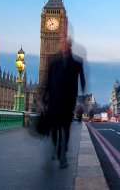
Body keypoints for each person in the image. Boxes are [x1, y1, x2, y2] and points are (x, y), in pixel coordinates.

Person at [42, 35, 85, 168]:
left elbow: (82, 79)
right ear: (60, 45)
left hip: (68, 101)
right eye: (62, 44)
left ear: (70, 46)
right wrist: (44, 96)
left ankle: (63, 153)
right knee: (55, 128)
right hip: (55, 100)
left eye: (66, 44)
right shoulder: (53, 62)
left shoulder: (77, 63)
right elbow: (48, 81)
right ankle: (56, 146)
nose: (64, 46)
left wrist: (82, 95)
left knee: (65, 128)